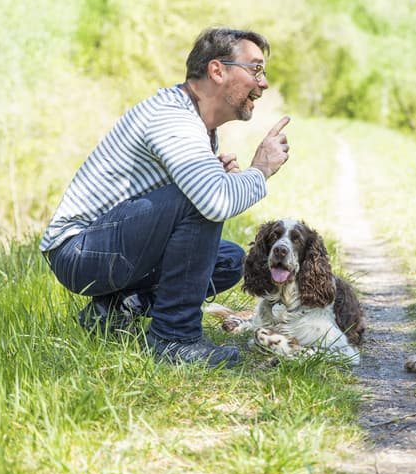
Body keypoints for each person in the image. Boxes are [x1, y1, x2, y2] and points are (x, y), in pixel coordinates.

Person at [40, 27, 291, 368]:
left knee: (230, 260)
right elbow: (212, 202)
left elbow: (188, 195)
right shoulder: (173, 117)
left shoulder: (199, 126)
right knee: (199, 199)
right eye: (255, 69)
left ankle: (115, 311)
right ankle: (175, 339)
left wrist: (215, 175)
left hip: (111, 246)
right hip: (79, 251)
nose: (262, 83)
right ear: (217, 70)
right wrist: (259, 170)